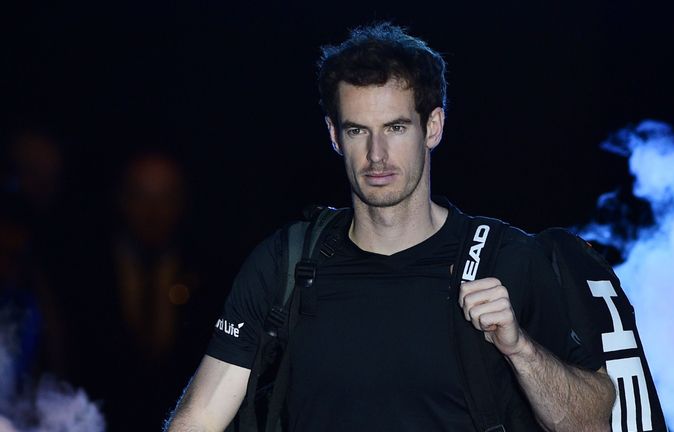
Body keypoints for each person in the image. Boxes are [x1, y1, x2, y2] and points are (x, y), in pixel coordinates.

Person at [165, 23, 615, 431]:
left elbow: (592, 425)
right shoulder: (287, 262)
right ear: (334, 136)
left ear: (432, 127)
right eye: (358, 130)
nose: (377, 155)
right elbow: (199, 418)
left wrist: (520, 349)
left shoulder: (506, 258)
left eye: (396, 127)